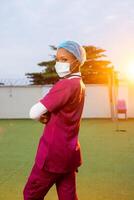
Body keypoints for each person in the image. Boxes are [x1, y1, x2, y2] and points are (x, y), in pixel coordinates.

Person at [23, 41, 86, 200]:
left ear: (77, 62)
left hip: (52, 155)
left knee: (31, 194)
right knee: (68, 196)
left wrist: (41, 115)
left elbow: (33, 112)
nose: (59, 64)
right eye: (57, 59)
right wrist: (47, 115)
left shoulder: (65, 84)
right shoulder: (80, 84)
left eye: (64, 60)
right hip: (69, 153)